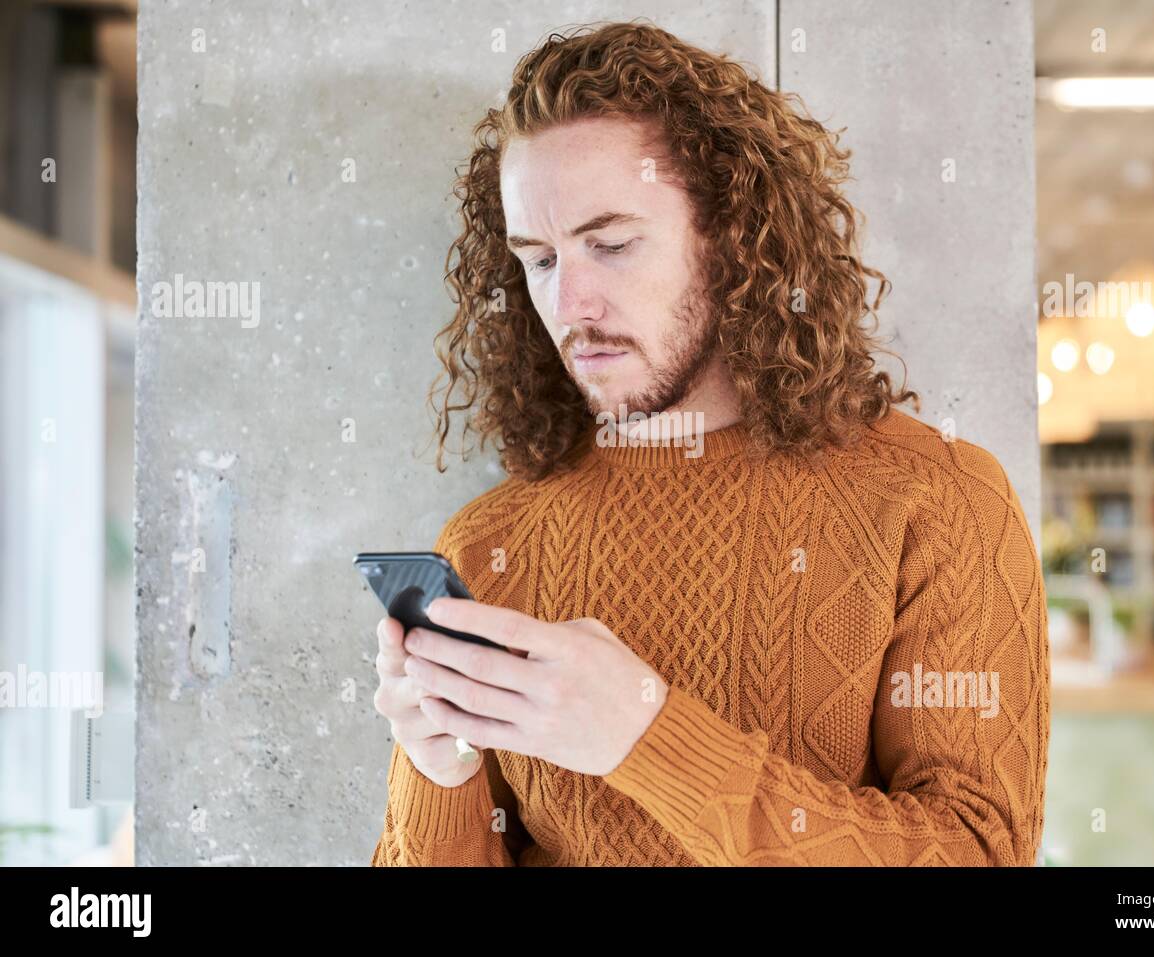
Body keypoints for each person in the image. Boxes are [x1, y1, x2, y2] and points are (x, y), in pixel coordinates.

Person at [371, 20, 1049, 866]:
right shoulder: (488, 545)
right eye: (539, 259)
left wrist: (647, 736)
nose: (570, 301)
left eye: (611, 244)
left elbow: (979, 853)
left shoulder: (939, 502)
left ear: (733, 239)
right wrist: (440, 771)